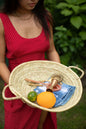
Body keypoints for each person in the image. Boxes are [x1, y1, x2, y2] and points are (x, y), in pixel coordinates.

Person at [0, 0, 60, 129]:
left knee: (42, 124)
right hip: (17, 86)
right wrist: (17, 89)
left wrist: (58, 75)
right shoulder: (2, 21)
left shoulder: (45, 17)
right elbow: (0, 63)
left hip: (45, 86)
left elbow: (51, 50)